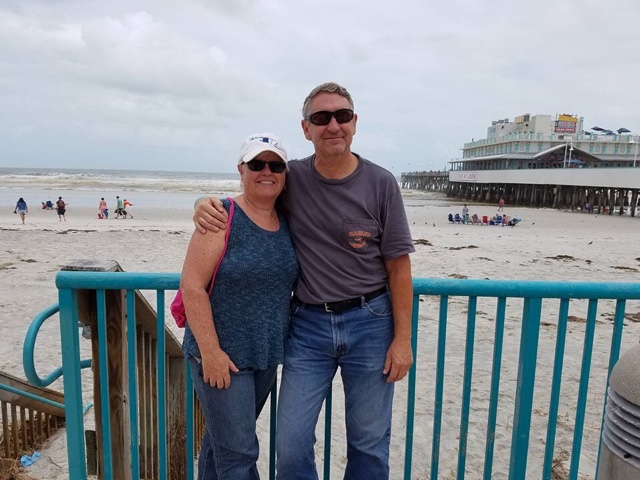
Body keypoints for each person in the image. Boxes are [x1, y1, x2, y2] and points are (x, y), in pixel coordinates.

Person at [194, 82, 414, 479]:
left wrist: (403, 340)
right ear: (306, 128)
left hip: (371, 322)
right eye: (321, 118)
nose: (333, 125)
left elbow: (399, 266)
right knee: (291, 441)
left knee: (369, 441)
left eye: (342, 116)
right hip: (308, 326)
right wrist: (204, 204)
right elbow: (253, 191)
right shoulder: (290, 175)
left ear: (354, 122)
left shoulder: (381, 183)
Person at [181, 133, 298, 479]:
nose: (267, 171)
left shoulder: (287, 219)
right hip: (222, 355)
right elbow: (192, 286)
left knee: (221, 445)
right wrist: (211, 353)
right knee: (240, 453)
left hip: (264, 354)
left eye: (275, 165)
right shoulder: (221, 216)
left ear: (285, 174)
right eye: (257, 164)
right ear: (241, 170)